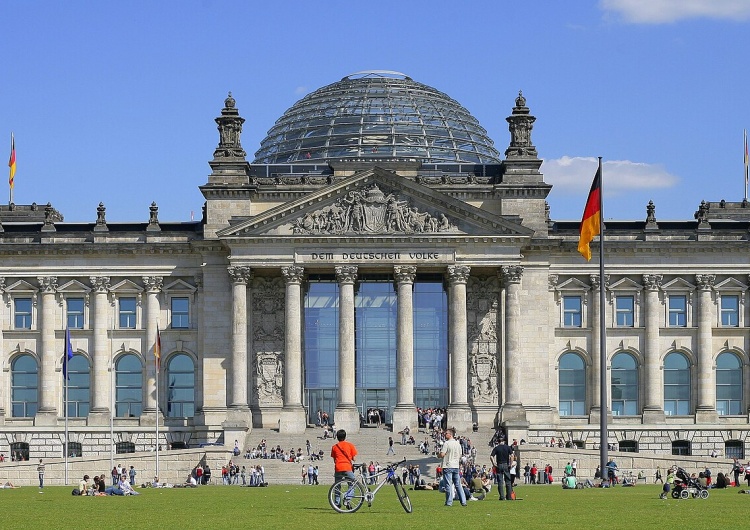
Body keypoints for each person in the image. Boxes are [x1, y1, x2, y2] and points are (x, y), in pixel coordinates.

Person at [438, 426, 467, 507]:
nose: (444, 434)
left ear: (450, 434)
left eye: (446, 433)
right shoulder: (458, 444)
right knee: (458, 485)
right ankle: (463, 501)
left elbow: (442, 454)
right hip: (455, 466)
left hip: (448, 465)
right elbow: (460, 454)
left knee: (448, 484)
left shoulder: (446, 443)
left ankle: (449, 502)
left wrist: (438, 455)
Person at [331, 429, 358, 506]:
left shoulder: (334, 447)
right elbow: (354, 459)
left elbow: (334, 459)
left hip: (338, 467)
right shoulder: (350, 445)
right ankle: (347, 497)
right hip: (347, 467)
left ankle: (337, 503)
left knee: (337, 486)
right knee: (353, 483)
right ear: (345, 437)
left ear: (337, 437)